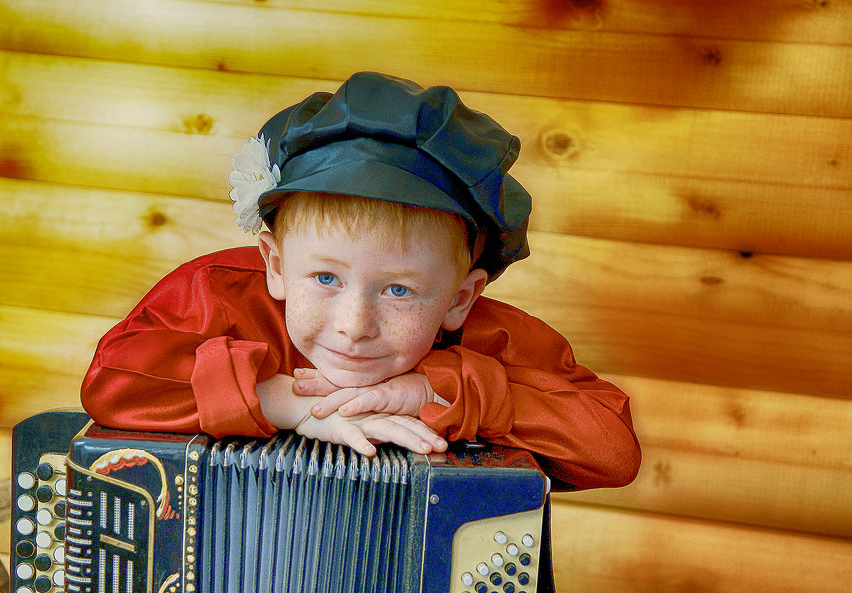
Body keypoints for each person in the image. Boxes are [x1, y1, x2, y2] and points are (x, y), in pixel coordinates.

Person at [81, 72, 640, 491]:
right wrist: (284, 402)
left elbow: (611, 451)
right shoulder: (217, 295)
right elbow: (111, 382)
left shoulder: (488, 338)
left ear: (460, 297)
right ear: (275, 264)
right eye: (325, 277)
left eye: (399, 290)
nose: (354, 327)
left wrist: (436, 390)